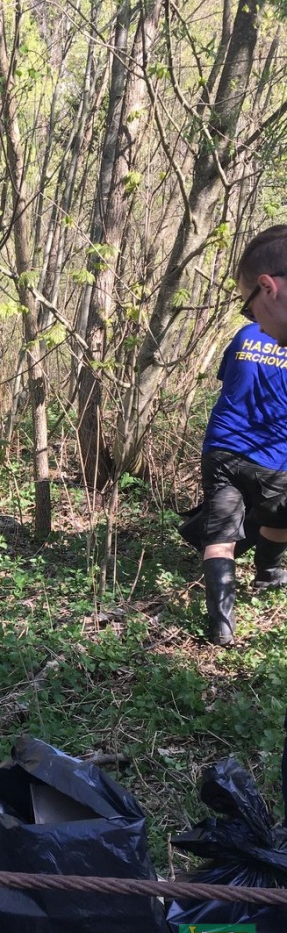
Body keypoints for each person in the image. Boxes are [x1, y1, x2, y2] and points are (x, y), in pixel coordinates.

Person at [199, 224, 287, 645]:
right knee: (279, 519)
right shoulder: (269, 332)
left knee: (220, 537)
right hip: (273, 456)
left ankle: (222, 625)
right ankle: (269, 574)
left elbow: (227, 381)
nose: (251, 318)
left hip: (223, 444)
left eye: (248, 306)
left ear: (267, 288)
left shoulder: (243, 336)